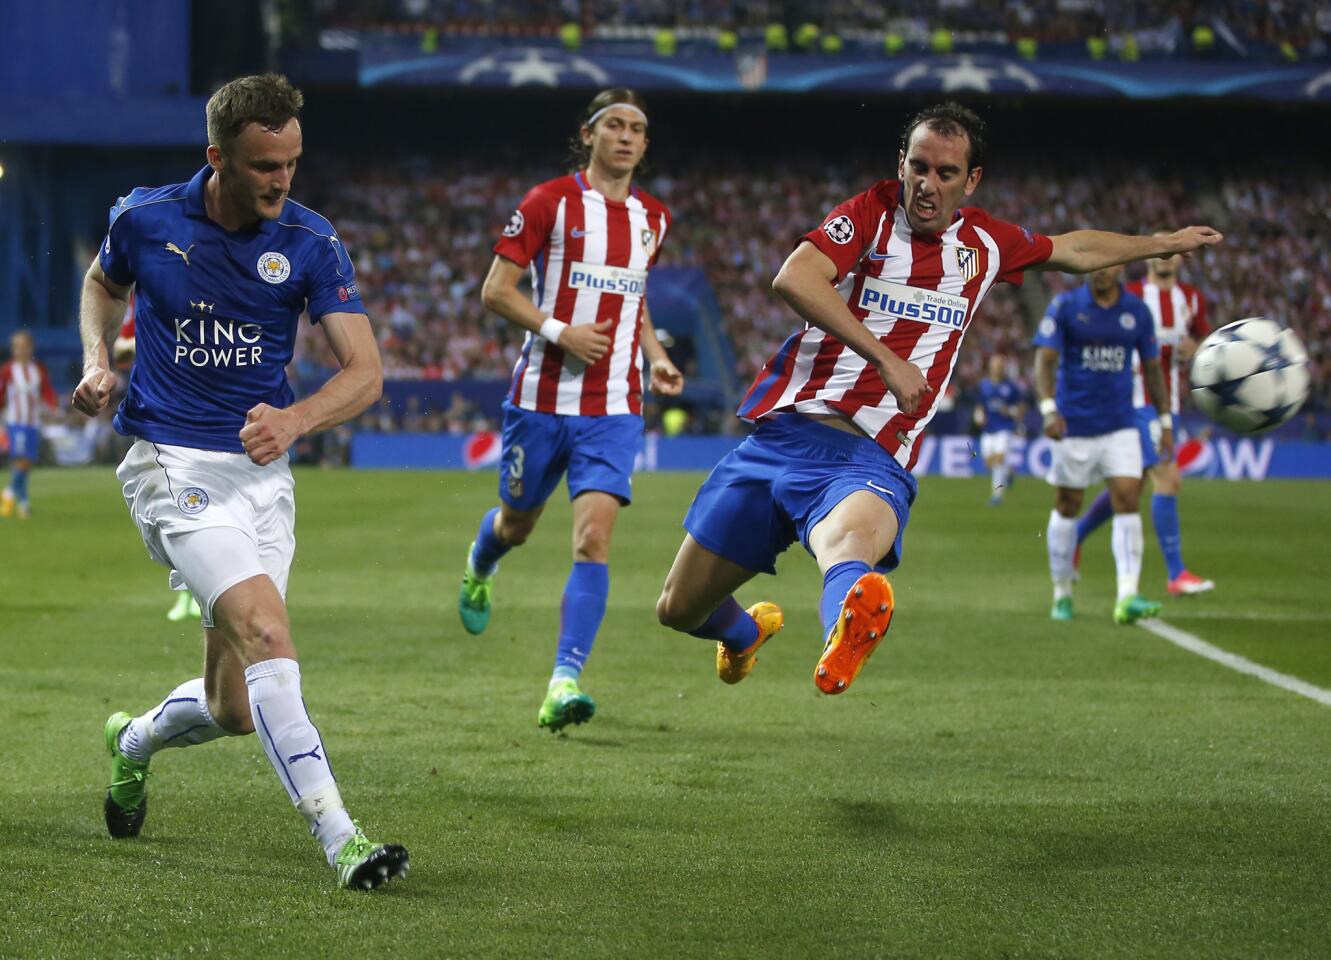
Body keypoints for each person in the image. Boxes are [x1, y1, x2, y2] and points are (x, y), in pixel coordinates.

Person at [654, 101, 1221, 693]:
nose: (927, 185)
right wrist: (886, 357)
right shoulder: (870, 216)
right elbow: (794, 277)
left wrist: (1159, 242)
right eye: (918, 167)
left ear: (971, 180)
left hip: (868, 456)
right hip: (783, 435)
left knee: (844, 544)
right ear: (901, 164)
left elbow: (1072, 249)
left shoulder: (986, 244)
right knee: (678, 607)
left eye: (945, 173)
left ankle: (841, 640)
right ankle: (744, 633)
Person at [71, 74, 408, 890]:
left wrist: (295, 421)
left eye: (291, 162)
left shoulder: (309, 240)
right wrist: (94, 362)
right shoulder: (147, 219)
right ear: (217, 156)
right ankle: (342, 840)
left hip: (262, 475)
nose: (282, 181)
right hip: (168, 463)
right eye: (265, 166)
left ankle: (133, 742)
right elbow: (101, 285)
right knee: (267, 633)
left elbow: (364, 373)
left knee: (234, 707)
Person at [456, 88, 684, 732]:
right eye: (615, 124)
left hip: (614, 406)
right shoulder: (548, 202)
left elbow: (633, 301)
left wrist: (654, 353)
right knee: (517, 524)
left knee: (593, 539)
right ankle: (481, 562)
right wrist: (561, 332)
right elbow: (495, 291)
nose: (627, 136)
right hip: (540, 402)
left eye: (638, 128)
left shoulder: (654, 219)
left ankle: (564, 680)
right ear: (588, 134)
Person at [1036, 265, 1175, 623]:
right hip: (1074, 425)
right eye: (1094, 266)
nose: (1101, 272)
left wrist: (1165, 421)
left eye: (1108, 265)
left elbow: (1153, 369)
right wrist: (1049, 410)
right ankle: (1062, 591)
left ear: (1120, 269)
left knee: (1129, 497)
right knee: (1068, 504)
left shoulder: (1136, 313)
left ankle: (1128, 595)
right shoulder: (1066, 306)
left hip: (1120, 423)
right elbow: (1045, 361)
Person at [1072, 244, 1214, 595]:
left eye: (1171, 248)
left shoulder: (1192, 299)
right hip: (1133, 401)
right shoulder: (1132, 295)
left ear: (1181, 257)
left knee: (1130, 486)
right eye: (1158, 247)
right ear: (1149, 257)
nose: (1164, 256)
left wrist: (1198, 347)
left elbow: (1209, 344)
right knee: (1167, 478)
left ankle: (1074, 535)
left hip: (1169, 404)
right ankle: (1176, 573)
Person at [116, 290, 203, 621]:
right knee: (180, 510)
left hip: (203, 415)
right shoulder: (139, 298)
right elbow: (121, 349)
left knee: (199, 510)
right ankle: (188, 594)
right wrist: (149, 345)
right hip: (163, 418)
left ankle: (201, 593)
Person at [1, 330, 59, 519]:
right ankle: (9, 495)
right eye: (17, 347)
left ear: (31, 348)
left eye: (24, 346)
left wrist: (52, 406)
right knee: (21, 460)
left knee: (28, 463)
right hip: (15, 422)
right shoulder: (8, 371)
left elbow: (47, 391)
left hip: (33, 423)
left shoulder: (39, 370)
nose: (21, 350)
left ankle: (23, 504)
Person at [974, 353, 1024, 505]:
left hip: (1004, 427)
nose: (997, 369)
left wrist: (1010, 411)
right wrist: (978, 415)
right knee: (989, 463)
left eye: (1000, 366)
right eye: (995, 366)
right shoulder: (984, 385)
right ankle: (1008, 473)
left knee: (998, 460)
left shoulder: (1011, 386)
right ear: (990, 368)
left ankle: (997, 495)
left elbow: (1021, 407)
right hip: (988, 428)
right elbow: (980, 405)